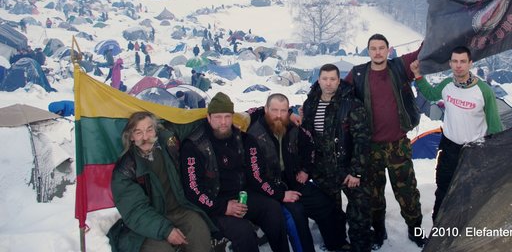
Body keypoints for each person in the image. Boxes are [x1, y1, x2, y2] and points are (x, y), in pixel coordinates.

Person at [179, 93, 290, 252]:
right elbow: (193, 190)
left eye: (227, 116)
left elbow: (255, 174)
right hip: (213, 204)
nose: (223, 122)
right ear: (208, 117)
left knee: (272, 209)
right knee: (243, 232)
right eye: (218, 117)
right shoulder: (194, 146)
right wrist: (224, 207)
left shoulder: (243, 139)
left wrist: (278, 193)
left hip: (241, 196)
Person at [345, 34, 424, 248]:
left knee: (408, 192)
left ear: (389, 50)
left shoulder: (400, 67)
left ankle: (415, 230)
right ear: (368, 51)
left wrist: (436, 31)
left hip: (398, 144)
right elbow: (338, 94)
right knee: (373, 195)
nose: (378, 52)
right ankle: (379, 231)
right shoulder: (358, 74)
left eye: (382, 48)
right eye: (373, 48)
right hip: (370, 148)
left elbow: (422, 52)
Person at [411, 45, 503, 221]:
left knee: (470, 193)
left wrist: (493, 155)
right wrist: (417, 75)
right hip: (449, 149)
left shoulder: (484, 91)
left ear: (470, 63)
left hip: (474, 152)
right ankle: (438, 227)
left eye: (462, 61)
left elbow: (495, 127)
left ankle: (464, 231)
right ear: (450, 63)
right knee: (443, 190)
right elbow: (431, 94)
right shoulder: (447, 85)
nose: (458, 65)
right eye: (455, 61)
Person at [247, 93, 348, 252]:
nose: (279, 116)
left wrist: (306, 170)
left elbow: (309, 147)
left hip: (293, 181)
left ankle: (336, 244)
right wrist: (280, 194)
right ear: (265, 109)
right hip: (268, 189)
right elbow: (255, 176)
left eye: (283, 110)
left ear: (289, 111)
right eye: (274, 110)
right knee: (297, 215)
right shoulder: (253, 134)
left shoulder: (293, 127)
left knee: (326, 205)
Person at [108, 111, 213, 252]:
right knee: (162, 249)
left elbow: (189, 123)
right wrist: (166, 230)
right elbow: (135, 211)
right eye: (138, 132)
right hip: (148, 223)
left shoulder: (169, 142)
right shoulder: (126, 169)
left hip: (179, 210)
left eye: (149, 130)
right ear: (131, 136)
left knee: (200, 232)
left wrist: (216, 120)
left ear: (156, 130)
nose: (145, 137)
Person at [302, 64, 371, 252]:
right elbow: (307, 138)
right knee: (331, 212)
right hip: (323, 170)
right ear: (319, 80)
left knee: (359, 212)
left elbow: (362, 140)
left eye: (333, 79)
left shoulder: (351, 103)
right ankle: (338, 244)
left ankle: (360, 246)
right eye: (325, 78)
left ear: (339, 81)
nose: (328, 83)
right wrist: (308, 167)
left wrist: (356, 171)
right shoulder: (310, 104)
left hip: (348, 167)